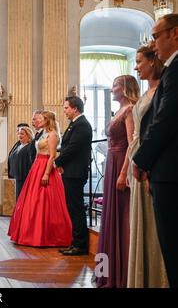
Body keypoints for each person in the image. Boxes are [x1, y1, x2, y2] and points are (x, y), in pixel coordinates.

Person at [132, 14, 178, 288]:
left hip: (170, 171)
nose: (153, 43)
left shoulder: (176, 70)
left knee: (172, 246)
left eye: (156, 35)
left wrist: (141, 159)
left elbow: (166, 119)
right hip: (165, 168)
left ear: (174, 34)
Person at [127, 45, 168, 288]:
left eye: (139, 61)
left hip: (149, 162)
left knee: (154, 224)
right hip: (138, 160)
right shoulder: (147, 92)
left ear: (153, 61)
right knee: (141, 221)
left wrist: (145, 161)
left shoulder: (162, 89)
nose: (136, 66)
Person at [96, 75, 139, 288]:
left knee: (121, 216)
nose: (111, 89)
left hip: (121, 162)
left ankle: (121, 274)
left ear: (124, 88)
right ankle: (105, 271)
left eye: (115, 85)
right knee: (110, 217)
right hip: (111, 162)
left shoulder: (130, 109)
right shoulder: (120, 110)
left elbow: (132, 145)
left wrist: (124, 174)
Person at [8, 111, 72, 247]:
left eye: (41, 118)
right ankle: (29, 233)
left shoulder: (53, 135)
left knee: (45, 200)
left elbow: (52, 156)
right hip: (37, 166)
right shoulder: (43, 133)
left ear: (47, 120)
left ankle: (45, 236)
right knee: (33, 200)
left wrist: (46, 174)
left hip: (45, 167)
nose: (38, 121)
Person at [55, 96, 93, 256]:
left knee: (76, 208)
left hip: (75, 172)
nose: (64, 111)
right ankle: (75, 242)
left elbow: (72, 149)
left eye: (66, 108)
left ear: (75, 108)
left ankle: (80, 245)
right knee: (72, 208)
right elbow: (67, 147)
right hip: (70, 171)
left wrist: (56, 162)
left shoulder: (82, 125)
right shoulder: (74, 124)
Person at [8, 126, 35, 199]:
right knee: (18, 196)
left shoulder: (30, 147)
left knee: (22, 197)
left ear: (28, 135)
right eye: (19, 134)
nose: (20, 136)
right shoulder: (18, 146)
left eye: (22, 134)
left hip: (24, 176)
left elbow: (31, 161)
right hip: (17, 175)